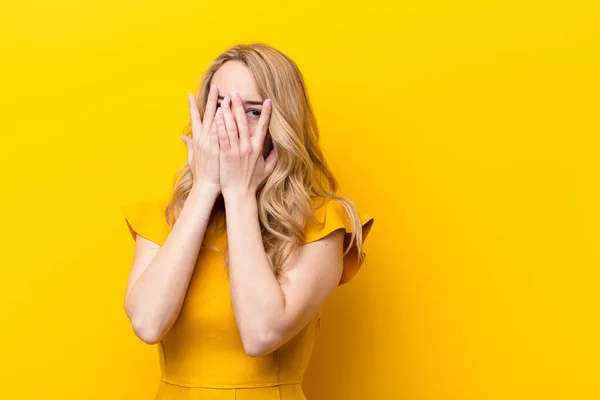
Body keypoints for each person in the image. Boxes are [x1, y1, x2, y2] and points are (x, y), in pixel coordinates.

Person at [121, 42, 374, 400]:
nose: (229, 123)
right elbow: (147, 323)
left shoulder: (321, 223)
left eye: (252, 111)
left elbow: (261, 333)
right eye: (219, 105)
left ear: (282, 123)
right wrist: (206, 187)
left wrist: (239, 193)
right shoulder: (165, 217)